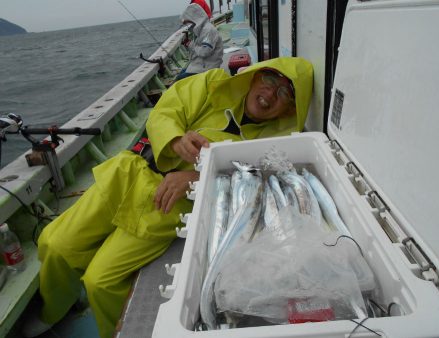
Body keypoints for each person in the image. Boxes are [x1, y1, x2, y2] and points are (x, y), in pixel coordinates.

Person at [22, 56, 313, 338]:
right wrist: (175, 140)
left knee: (101, 282)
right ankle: (53, 312)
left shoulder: (277, 142)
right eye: (269, 79)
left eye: (284, 93)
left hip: (168, 206)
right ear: (255, 77)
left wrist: (199, 177)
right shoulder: (213, 83)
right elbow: (167, 109)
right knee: (54, 243)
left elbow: (259, 182)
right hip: (128, 176)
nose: (269, 94)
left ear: (288, 111)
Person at [176, 3, 223, 80]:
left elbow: (204, 52)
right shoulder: (202, 30)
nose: (190, 25)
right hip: (202, 65)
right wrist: (190, 44)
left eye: (190, 22)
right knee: (182, 72)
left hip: (207, 68)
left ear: (195, 18)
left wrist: (191, 44)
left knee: (179, 80)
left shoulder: (208, 31)